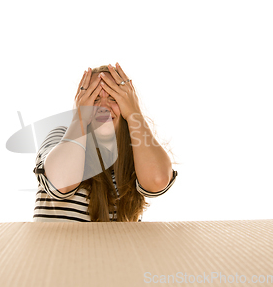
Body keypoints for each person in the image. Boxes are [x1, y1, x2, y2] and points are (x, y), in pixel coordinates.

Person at [33, 62, 178, 222]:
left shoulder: (138, 150)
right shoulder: (60, 137)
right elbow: (62, 183)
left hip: (115, 247)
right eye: (94, 99)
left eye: (113, 97)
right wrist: (80, 118)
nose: (103, 106)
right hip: (56, 247)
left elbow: (157, 181)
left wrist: (134, 114)